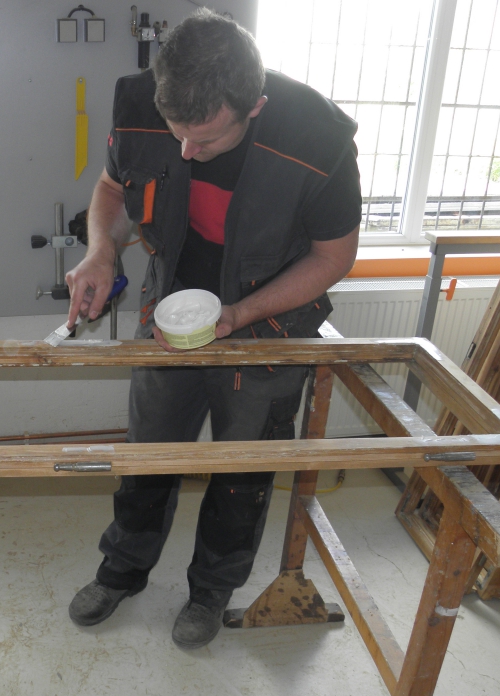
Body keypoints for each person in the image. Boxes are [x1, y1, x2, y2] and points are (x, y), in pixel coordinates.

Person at [64, 9, 361, 650]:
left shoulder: (318, 139)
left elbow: (334, 257)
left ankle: (210, 591)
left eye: (204, 140)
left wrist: (241, 314)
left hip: (268, 315)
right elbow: (113, 190)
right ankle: (122, 570)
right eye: (176, 134)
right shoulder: (141, 103)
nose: (185, 153)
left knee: (242, 468)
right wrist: (102, 252)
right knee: (148, 451)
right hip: (170, 304)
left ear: (254, 107)